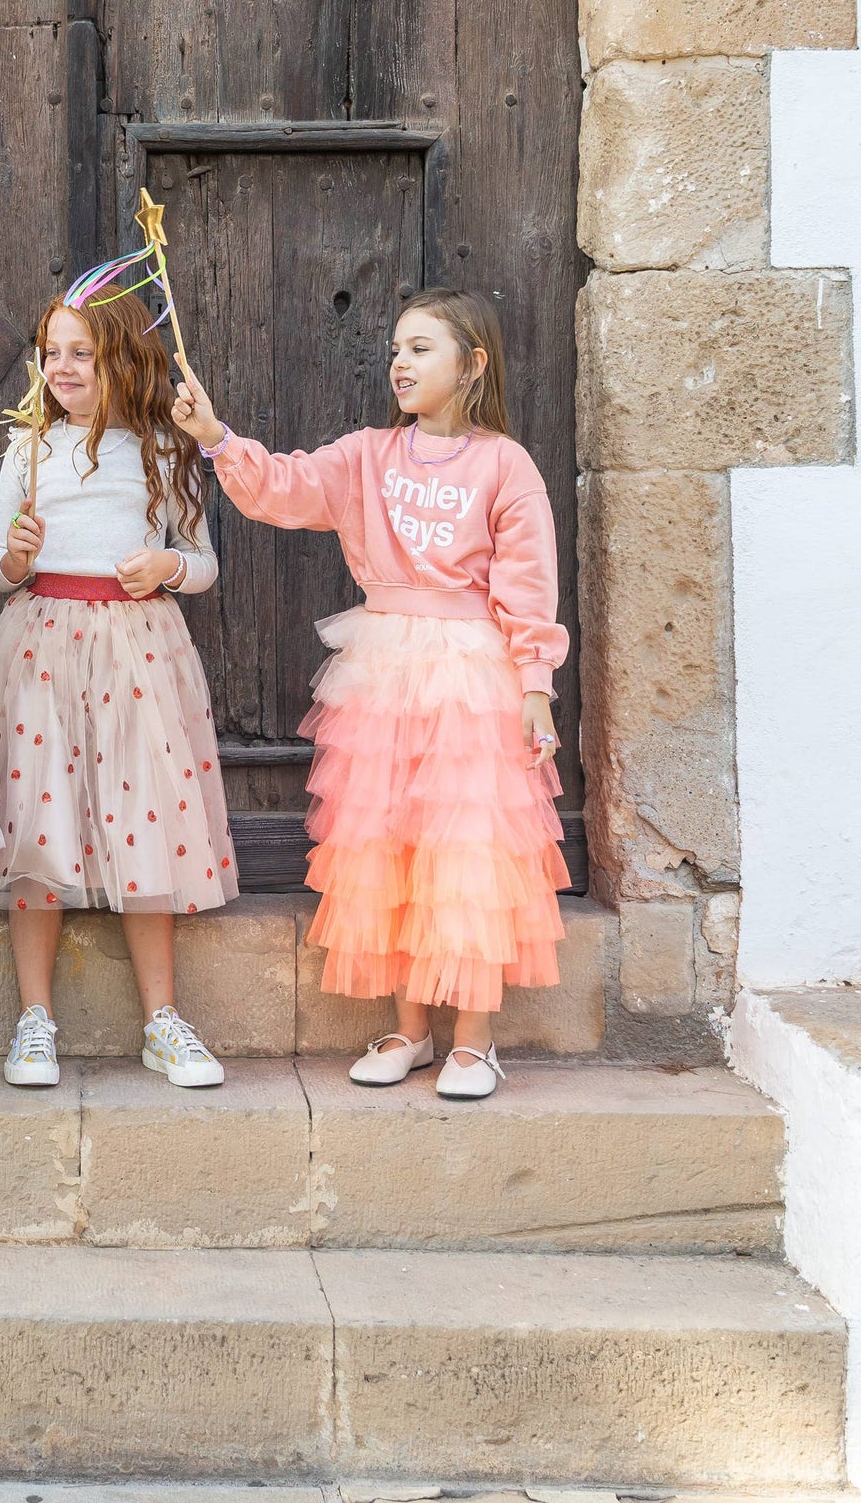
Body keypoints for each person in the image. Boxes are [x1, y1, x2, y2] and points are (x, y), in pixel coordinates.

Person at [170, 288, 567, 1100]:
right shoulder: (368, 456)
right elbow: (286, 487)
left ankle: (474, 1040)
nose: (401, 362)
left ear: (473, 365)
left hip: (469, 674)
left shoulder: (505, 464)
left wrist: (535, 685)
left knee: (466, 854)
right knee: (389, 843)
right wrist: (217, 440)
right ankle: (412, 1029)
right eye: (396, 348)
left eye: (422, 348)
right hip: (383, 667)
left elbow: (528, 583)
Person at [0, 289, 234, 1088]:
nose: (61, 366)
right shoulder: (29, 450)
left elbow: (204, 562)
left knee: (145, 817)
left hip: (137, 648)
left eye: (81, 351)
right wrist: (15, 560)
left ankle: (162, 1019)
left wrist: (168, 568)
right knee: (37, 819)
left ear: (123, 356)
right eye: (52, 351)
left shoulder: (163, 447)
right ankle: (35, 1019)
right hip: (41, 644)